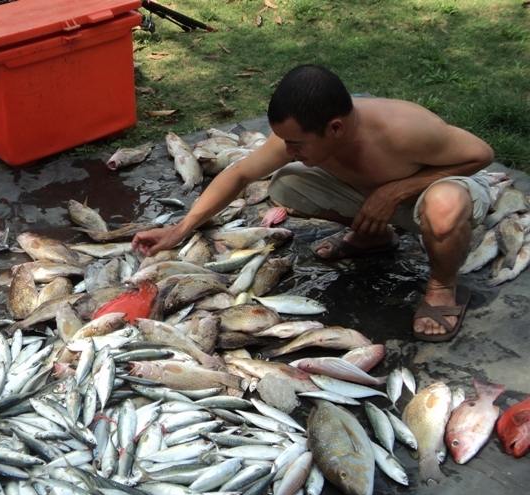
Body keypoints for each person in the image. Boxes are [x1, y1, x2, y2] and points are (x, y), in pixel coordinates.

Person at [131, 64, 495, 342]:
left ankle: (443, 286)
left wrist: (397, 190)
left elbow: (481, 154)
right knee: (288, 184)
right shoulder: (310, 134)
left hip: (440, 192)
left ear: (335, 128)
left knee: (445, 207)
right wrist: (181, 228)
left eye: (296, 144)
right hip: (377, 197)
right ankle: (372, 237)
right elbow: (241, 174)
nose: (287, 151)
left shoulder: (405, 130)